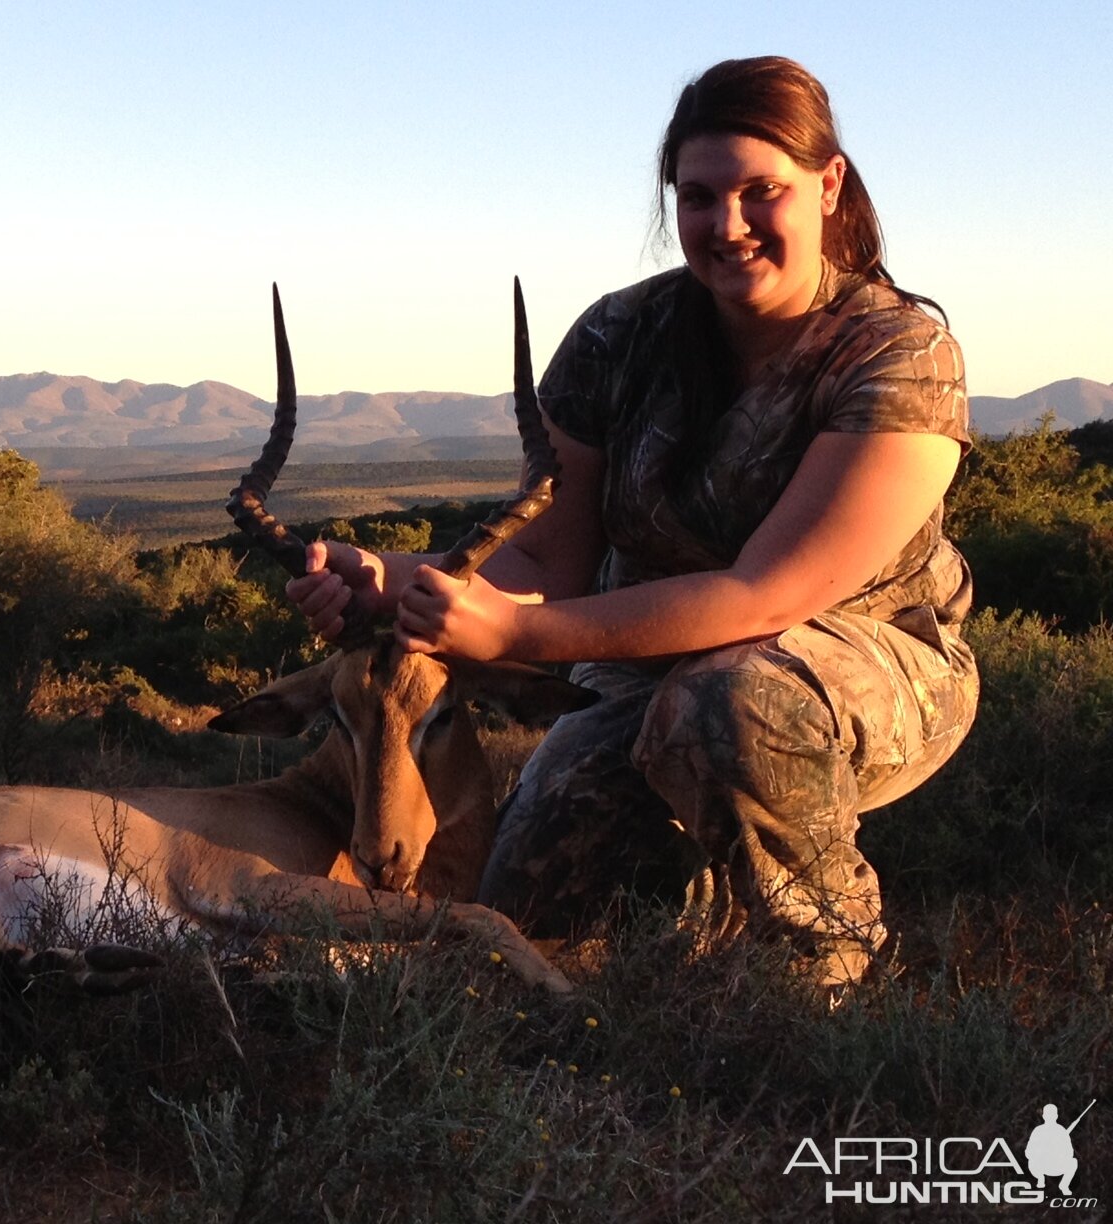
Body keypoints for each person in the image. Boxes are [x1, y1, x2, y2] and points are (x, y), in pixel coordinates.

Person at [285, 56, 979, 988]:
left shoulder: (901, 351)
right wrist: (385, 575)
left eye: (759, 192)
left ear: (829, 185)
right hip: (641, 670)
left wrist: (519, 634)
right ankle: (702, 898)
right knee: (521, 917)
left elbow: (766, 593)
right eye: (697, 196)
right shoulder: (621, 334)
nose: (726, 225)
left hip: (865, 665)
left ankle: (823, 975)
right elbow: (543, 556)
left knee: (733, 705)